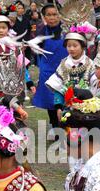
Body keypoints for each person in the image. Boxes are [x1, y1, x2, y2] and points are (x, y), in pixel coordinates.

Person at [32, 2, 67, 131]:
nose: (52, 18)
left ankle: (66, 126)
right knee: (50, 102)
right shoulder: (41, 31)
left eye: (55, 14)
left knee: (65, 99)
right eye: (48, 15)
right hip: (48, 71)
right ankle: (54, 126)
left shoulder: (67, 29)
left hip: (66, 69)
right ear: (44, 17)